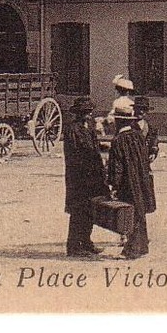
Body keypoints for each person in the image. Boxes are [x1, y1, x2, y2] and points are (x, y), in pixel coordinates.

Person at [105, 98, 156, 259]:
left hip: (128, 182)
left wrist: (113, 184)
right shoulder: (137, 136)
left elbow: (117, 167)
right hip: (141, 179)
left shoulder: (119, 140)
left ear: (119, 121)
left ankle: (132, 249)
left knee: (130, 214)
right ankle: (142, 246)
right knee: (139, 211)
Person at [63, 97, 110, 258]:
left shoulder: (88, 128)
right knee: (78, 211)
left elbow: (93, 146)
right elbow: (80, 152)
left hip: (91, 176)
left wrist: (105, 147)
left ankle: (86, 242)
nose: (89, 115)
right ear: (79, 113)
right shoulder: (73, 129)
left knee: (89, 210)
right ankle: (74, 246)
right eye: (86, 112)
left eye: (90, 112)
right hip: (79, 177)